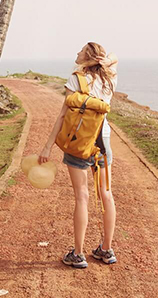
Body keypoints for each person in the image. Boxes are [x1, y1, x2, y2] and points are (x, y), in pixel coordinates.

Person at [38, 42, 118, 269]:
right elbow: (115, 57)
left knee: (82, 196)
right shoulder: (110, 78)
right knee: (106, 194)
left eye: (80, 51)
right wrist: (107, 61)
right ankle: (106, 249)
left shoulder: (76, 79)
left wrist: (47, 147)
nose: (76, 53)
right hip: (103, 141)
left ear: (88, 57)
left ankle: (79, 254)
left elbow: (63, 115)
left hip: (78, 143)